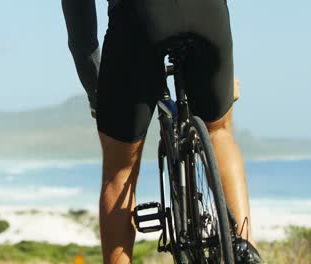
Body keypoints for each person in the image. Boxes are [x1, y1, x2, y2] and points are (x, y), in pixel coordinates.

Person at [61, 0, 262, 263]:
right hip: (209, 14)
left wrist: (98, 93)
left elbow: (81, 35)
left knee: (119, 170)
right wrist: (224, 78)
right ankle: (245, 250)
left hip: (139, 19)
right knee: (219, 132)